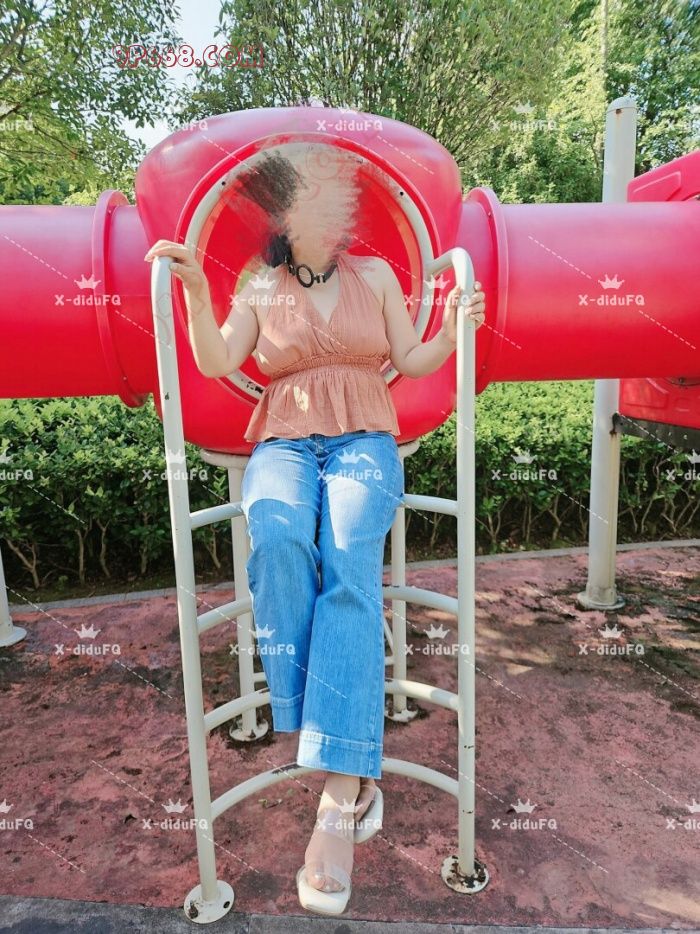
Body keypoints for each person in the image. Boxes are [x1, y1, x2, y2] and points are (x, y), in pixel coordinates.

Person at [144, 143, 485, 916]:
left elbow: (413, 358)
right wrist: (195, 290)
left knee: (350, 553)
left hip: (366, 437)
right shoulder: (260, 283)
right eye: (322, 200)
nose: (340, 213)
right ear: (286, 214)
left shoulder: (378, 276)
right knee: (277, 538)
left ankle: (338, 795)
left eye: (343, 201)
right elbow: (215, 360)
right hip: (285, 441)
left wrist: (453, 331)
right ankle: (342, 742)